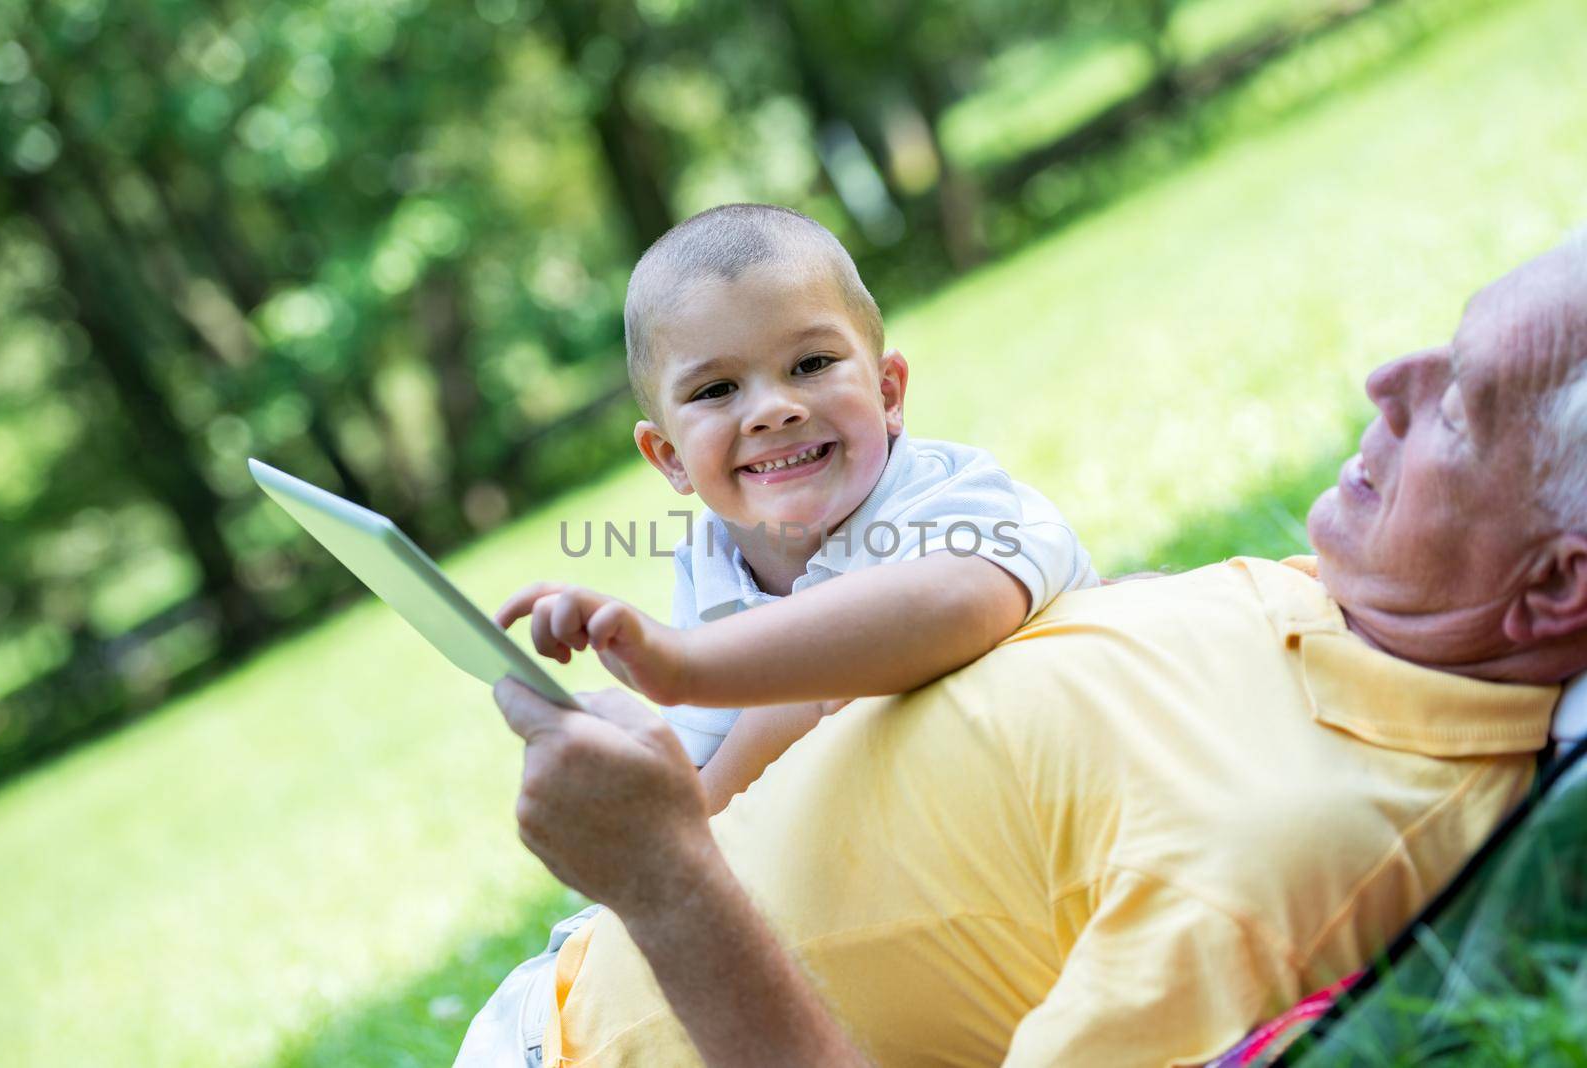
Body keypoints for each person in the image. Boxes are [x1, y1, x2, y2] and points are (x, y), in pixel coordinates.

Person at [465, 233, 1587, 1068]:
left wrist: (663, 879)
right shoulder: (1345, 609)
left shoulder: (1281, 848)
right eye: (1441, 346)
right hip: (550, 997)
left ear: (1556, 585)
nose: (1387, 381)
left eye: (1462, 407)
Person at [496, 203, 1096, 812]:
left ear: (887, 393)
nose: (773, 409)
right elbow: (709, 755)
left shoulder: (952, 492)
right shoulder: (710, 569)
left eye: (811, 364)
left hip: (1083, 791)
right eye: (716, 389)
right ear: (670, 456)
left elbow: (948, 610)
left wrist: (685, 674)